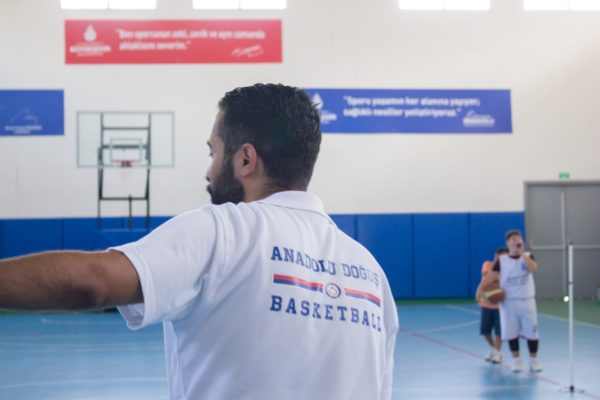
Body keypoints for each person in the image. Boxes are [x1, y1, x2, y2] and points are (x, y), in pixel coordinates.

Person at [0, 84, 399, 400]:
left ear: (245, 159)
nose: (209, 171)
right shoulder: (370, 273)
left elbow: (93, 281)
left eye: (213, 152)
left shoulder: (224, 231)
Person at [481, 230, 542, 373]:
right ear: (508, 243)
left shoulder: (528, 256)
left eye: (519, 239)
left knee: (532, 333)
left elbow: (533, 268)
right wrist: (482, 290)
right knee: (511, 333)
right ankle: (516, 361)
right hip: (508, 302)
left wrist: (522, 254)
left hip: (527, 300)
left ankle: (533, 360)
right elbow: (491, 277)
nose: (516, 242)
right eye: (513, 239)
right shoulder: (501, 260)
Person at [475, 247, 508, 364]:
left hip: (501, 305)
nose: (499, 260)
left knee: (499, 331)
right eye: (497, 258)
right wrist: (479, 292)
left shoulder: (508, 270)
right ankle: (493, 348)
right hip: (486, 303)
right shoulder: (487, 265)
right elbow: (485, 281)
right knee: (485, 331)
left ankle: (498, 353)